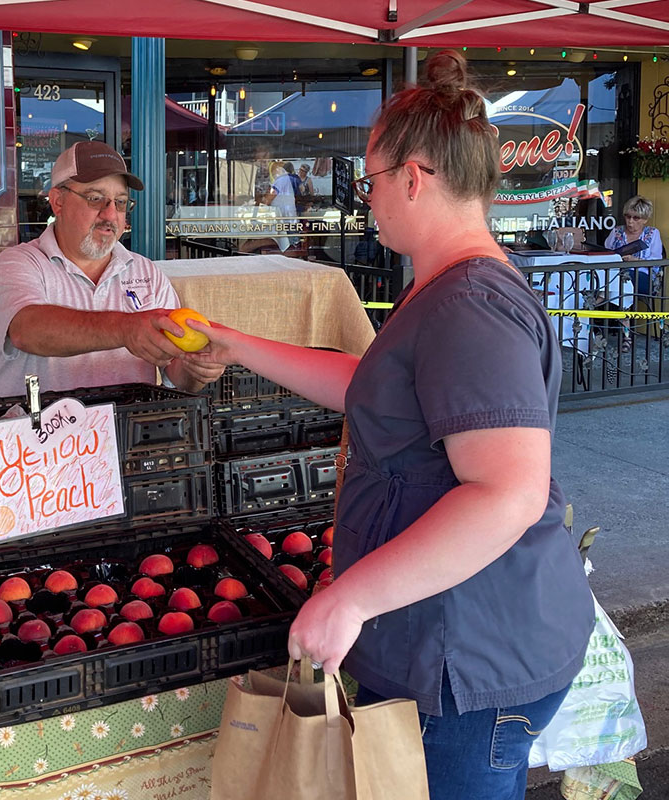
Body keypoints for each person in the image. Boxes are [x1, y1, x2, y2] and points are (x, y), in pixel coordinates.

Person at [186, 50, 594, 800]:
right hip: (455, 636)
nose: (365, 200)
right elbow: (372, 387)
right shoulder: (442, 288)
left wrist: (353, 597)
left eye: (370, 180)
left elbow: (507, 493)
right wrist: (235, 343)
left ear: (414, 177)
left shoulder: (469, 305)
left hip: (470, 655)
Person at [0, 141, 225, 399]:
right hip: (36, 435)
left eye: (120, 203)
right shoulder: (19, 263)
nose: (110, 214)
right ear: (58, 202)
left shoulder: (146, 273)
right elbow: (27, 330)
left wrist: (197, 369)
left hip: (126, 432)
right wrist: (125, 329)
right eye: (95, 198)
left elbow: (175, 372)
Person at [604, 195, 663, 300]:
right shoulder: (616, 231)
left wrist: (635, 260)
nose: (630, 221)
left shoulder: (653, 233)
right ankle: (620, 313)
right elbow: (605, 253)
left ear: (645, 219)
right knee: (613, 277)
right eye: (628, 216)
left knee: (622, 277)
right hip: (615, 272)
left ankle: (601, 299)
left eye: (636, 218)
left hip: (644, 277)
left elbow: (656, 263)